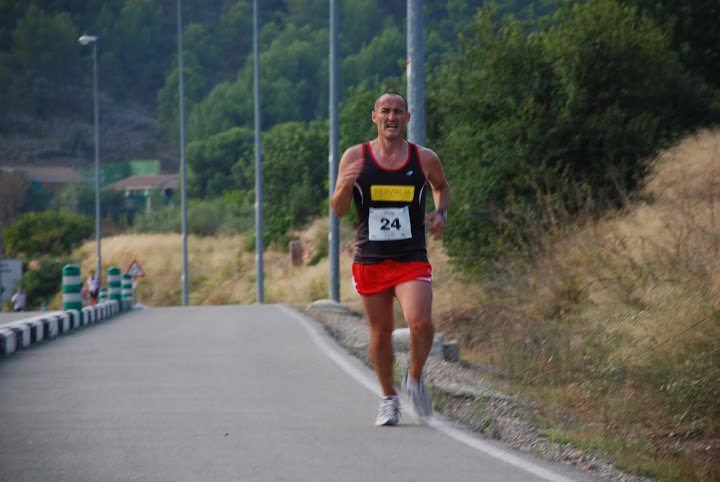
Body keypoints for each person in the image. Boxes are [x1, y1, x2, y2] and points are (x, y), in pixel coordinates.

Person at [330, 92, 450, 426]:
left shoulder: (423, 158)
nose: (392, 117)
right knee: (381, 333)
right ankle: (388, 398)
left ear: (408, 118)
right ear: (375, 117)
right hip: (371, 258)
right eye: (385, 111)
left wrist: (440, 213)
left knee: (421, 323)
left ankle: (414, 378)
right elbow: (338, 210)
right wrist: (344, 185)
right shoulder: (356, 156)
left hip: (411, 256)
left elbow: (441, 187)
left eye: (398, 111)